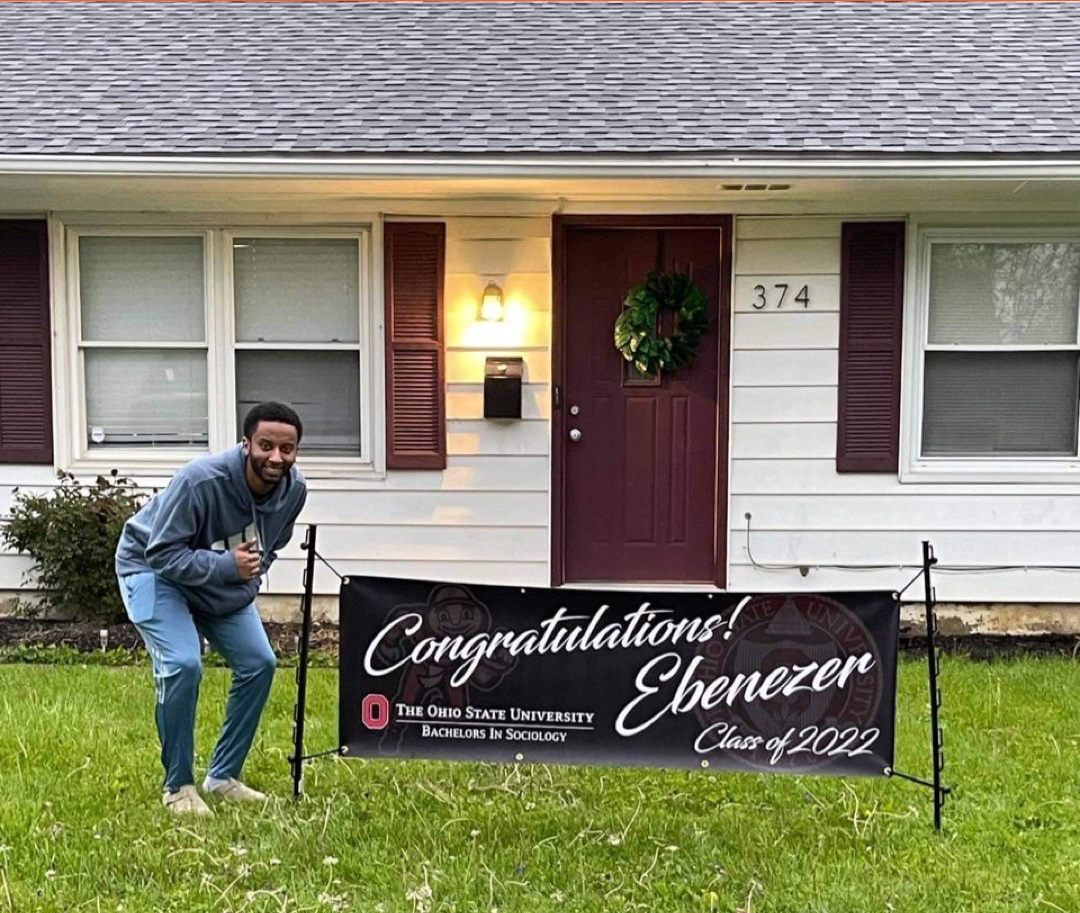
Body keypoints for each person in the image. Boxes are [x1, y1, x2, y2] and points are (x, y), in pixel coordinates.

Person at [115, 402, 307, 815]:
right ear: (246, 444)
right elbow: (161, 553)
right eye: (266, 445)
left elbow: (272, 545)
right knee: (183, 663)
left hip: (220, 575)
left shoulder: (295, 491)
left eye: (287, 449)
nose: (276, 457)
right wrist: (225, 567)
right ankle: (178, 787)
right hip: (151, 568)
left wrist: (247, 577)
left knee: (259, 662)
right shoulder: (200, 480)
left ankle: (222, 777)